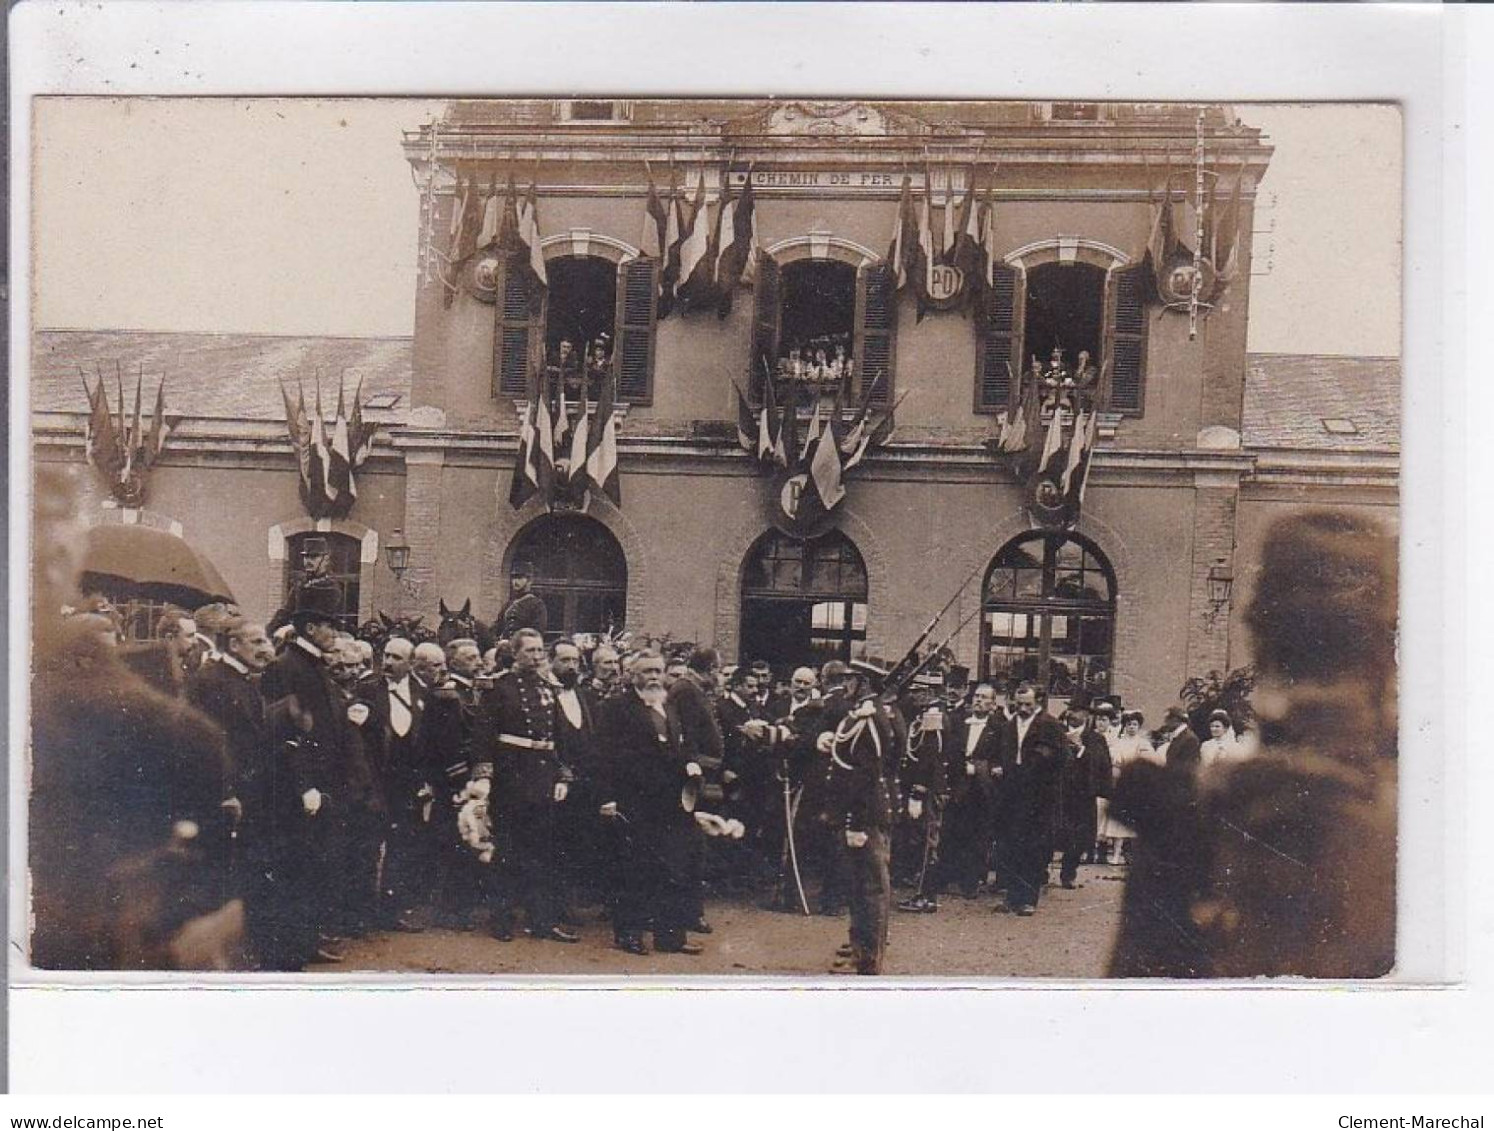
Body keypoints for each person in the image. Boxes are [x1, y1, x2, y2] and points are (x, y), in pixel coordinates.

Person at [1109, 511, 1397, 978]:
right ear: (1385, 651)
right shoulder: (1433, 817)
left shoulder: (1188, 813)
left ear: (1258, 638)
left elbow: (1136, 1010)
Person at [595, 650, 705, 956]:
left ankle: (671, 937)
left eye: (658, 671)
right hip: (634, 801)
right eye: (647, 672)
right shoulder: (616, 708)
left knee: (673, 869)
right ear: (632, 675)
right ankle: (628, 934)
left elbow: (684, 746)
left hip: (670, 803)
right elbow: (602, 756)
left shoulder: (669, 706)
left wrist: (692, 764)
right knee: (633, 870)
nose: (654, 677)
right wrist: (607, 798)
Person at [477, 628, 577, 943]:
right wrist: (484, 778)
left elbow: (558, 739)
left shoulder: (550, 688)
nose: (536, 657)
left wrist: (562, 775)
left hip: (543, 778)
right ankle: (502, 919)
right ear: (515, 653)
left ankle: (542, 921)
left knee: (542, 853)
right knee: (507, 850)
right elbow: (483, 739)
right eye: (529, 651)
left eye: (539, 651)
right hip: (511, 777)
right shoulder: (498, 688)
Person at [821, 663, 899, 975]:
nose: (845, 684)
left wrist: (855, 821)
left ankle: (869, 961)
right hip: (857, 813)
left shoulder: (869, 719)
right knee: (858, 886)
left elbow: (868, 776)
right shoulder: (860, 714)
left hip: (864, 815)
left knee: (870, 889)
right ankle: (858, 950)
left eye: (851, 679)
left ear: (864, 682)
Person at [354, 635, 432, 932]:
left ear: (411, 663)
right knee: (368, 845)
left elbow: (427, 740)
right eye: (385, 655)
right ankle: (361, 913)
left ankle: (391, 910)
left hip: (407, 782)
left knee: (402, 845)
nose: (387, 662)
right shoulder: (367, 689)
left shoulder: (423, 692)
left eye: (396, 658)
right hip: (375, 779)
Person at [992, 682, 1069, 916]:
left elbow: (1048, 760)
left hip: (1038, 797)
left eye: (1028, 704)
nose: (1023, 708)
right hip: (1012, 795)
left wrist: (1016, 772)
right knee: (1011, 846)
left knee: (1032, 849)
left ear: (1038, 702)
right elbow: (1001, 753)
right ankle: (1011, 897)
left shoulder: (1050, 726)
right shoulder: (1008, 726)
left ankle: (1028, 899)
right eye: (1019, 704)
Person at [938, 682, 1002, 900]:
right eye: (976, 696)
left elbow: (1001, 760)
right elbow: (948, 751)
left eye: (984, 697)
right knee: (951, 831)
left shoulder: (999, 728)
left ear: (993, 704)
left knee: (977, 836)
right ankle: (947, 877)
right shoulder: (959, 722)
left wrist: (980, 768)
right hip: (958, 787)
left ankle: (971, 881)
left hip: (981, 791)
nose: (978, 700)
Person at [1055, 692, 1113, 889]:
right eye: (1071, 709)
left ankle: (1068, 872)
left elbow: (1102, 764)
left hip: (1082, 793)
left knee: (1079, 837)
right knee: (1051, 832)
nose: (1072, 714)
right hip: (1058, 791)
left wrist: (1080, 749)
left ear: (1087, 715)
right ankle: (1041, 871)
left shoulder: (1095, 739)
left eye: (1077, 711)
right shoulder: (1057, 730)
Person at [498, 563, 548, 639]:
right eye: (514, 578)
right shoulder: (508, 605)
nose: (515, 581)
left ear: (529, 580)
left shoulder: (537, 605)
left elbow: (537, 633)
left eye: (520, 578)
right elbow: (497, 628)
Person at [1155, 705, 1201, 775]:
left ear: (1175, 720)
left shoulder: (1189, 738)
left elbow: (1189, 766)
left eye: (1167, 719)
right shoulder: (1178, 737)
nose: (1165, 722)